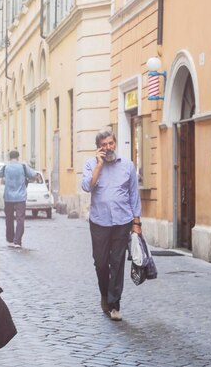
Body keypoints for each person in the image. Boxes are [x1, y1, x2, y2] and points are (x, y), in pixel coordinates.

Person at [81, 129, 142, 322]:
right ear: (98, 147)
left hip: (122, 222)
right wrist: (99, 166)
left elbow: (134, 195)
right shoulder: (91, 164)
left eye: (110, 143)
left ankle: (114, 304)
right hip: (99, 221)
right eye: (104, 145)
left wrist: (136, 222)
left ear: (115, 143)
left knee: (117, 262)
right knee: (100, 263)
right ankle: (105, 294)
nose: (108, 148)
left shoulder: (128, 166)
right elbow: (86, 187)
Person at [0, 150, 36, 248]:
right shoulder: (23, 166)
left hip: (8, 196)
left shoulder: (6, 166)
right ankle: (17, 241)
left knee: (9, 218)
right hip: (21, 196)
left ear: (9, 157)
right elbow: (33, 174)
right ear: (18, 157)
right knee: (20, 219)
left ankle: (10, 238)